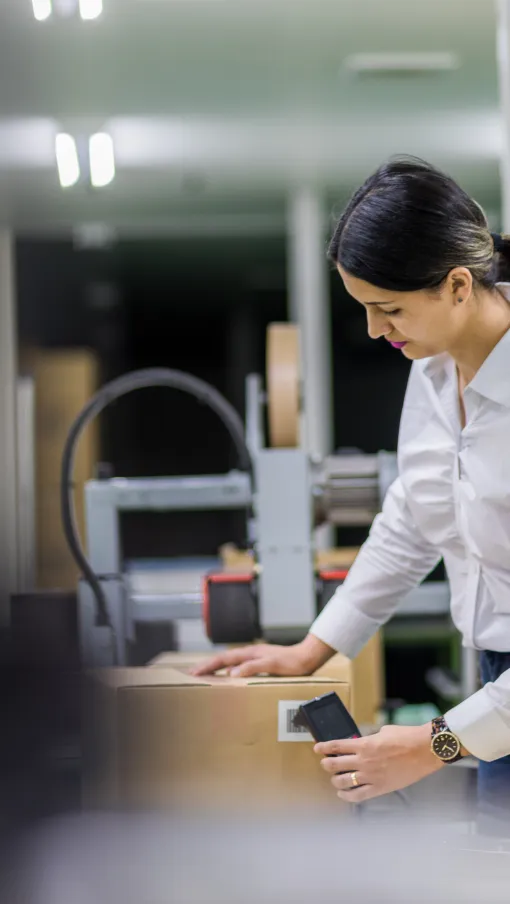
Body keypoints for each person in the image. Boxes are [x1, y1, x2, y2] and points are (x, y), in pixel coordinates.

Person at [192, 157, 510, 829]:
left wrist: (436, 742)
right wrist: (314, 648)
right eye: (364, 308)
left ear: (457, 285)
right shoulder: (431, 368)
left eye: (387, 309)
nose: (373, 330)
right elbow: (413, 517)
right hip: (497, 690)